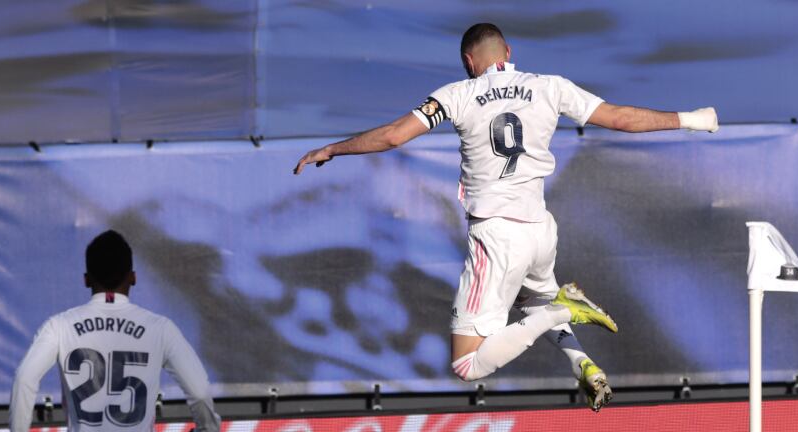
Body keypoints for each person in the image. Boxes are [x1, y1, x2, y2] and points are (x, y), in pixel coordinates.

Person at [293, 23, 719, 412]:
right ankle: (583, 363)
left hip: (496, 235)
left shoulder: (456, 94)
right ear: (509, 52)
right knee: (534, 302)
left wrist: (332, 149)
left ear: (468, 62)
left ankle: (563, 311)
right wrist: (692, 120)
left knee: (468, 364)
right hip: (539, 230)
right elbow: (622, 119)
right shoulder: (549, 86)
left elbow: (392, 136)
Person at [9, 230, 221, 432]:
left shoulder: (59, 326)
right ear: (133, 277)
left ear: (86, 279)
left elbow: (23, 379)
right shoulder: (159, 327)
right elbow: (199, 391)